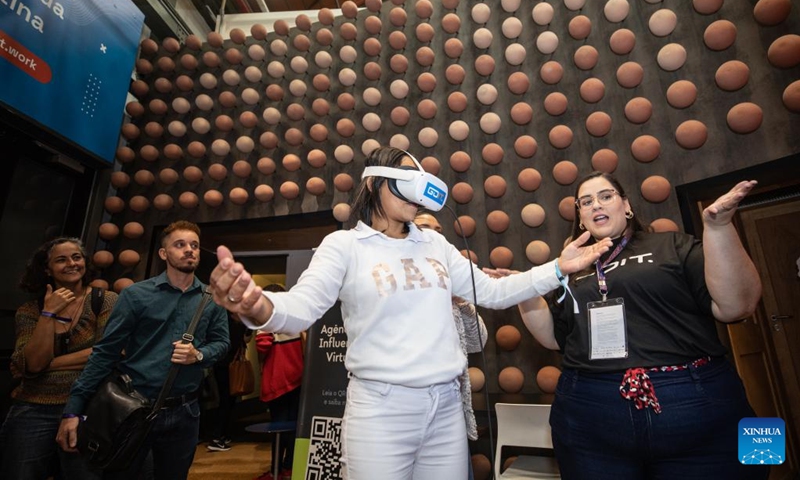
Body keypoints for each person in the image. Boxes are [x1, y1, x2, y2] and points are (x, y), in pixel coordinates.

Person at [208, 146, 612, 480]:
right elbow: (301, 307)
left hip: (446, 406)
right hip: (381, 409)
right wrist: (257, 306)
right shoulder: (345, 246)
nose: (413, 189)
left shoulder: (436, 246)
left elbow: (493, 291)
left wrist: (559, 268)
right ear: (373, 183)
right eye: (403, 177)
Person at [488, 172, 766, 479]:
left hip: (693, 398)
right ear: (581, 218)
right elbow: (555, 339)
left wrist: (719, 226)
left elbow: (738, 306)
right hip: (590, 405)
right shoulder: (571, 268)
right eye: (586, 201)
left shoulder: (674, 244)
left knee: (750, 467)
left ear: (626, 205)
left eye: (605, 196)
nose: (596, 205)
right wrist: (525, 291)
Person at [56, 220, 230, 480]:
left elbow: (222, 343)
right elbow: (105, 353)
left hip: (186, 412)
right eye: (180, 244)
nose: (189, 250)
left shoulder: (213, 298)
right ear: (163, 253)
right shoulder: (136, 295)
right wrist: (73, 410)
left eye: (194, 245)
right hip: (134, 407)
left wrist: (199, 355)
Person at [0, 237, 117, 480]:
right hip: (33, 407)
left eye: (76, 257)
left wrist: (46, 366)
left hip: (88, 406)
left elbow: (108, 353)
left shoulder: (105, 300)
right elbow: (33, 362)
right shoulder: (30, 311)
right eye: (61, 260)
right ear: (47, 269)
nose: (71, 264)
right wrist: (48, 313)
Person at [413, 212, 487, 480]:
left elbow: (479, 341)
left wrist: (462, 303)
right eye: (424, 227)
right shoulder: (398, 285)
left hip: (449, 411)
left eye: (439, 229)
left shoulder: (450, 281)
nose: (434, 233)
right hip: (403, 411)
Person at [254, 284, 304, 480]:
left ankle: (275, 470)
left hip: (278, 379)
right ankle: (289, 468)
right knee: (293, 426)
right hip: (298, 377)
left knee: (278, 427)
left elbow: (262, 345)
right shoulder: (295, 316)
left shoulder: (267, 318)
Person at [206, 311, 252, 452]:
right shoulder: (241, 319)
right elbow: (246, 338)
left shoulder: (220, 316)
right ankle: (217, 436)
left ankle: (222, 434)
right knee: (227, 400)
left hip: (220, 362)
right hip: (230, 364)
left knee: (226, 399)